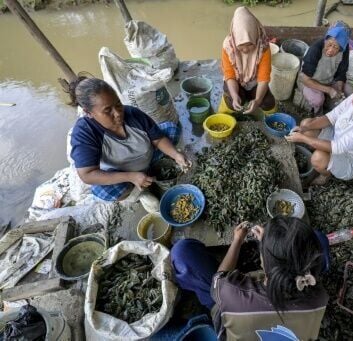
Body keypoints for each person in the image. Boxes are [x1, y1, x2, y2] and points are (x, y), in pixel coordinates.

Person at [171, 217, 330, 341]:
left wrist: (237, 241)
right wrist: (270, 247)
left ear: (263, 262)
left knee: (182, 252)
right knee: (319, 239)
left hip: (231, 308)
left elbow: (218, 279)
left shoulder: (233, 293)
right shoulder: (320, 297)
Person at [69, 77, 190, 208]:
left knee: (171, 129)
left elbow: (158, 138)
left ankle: (152, 170)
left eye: (118, 104)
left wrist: (176, 155)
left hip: (147, 158)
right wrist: (131, 176)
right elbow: (87, 174)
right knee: (103, 191)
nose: (118, 114)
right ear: (89, 113)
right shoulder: (85, 133)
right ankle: (140, 193)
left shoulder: (132, 113)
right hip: (121, 172)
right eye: (108, 110)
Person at [285, 66, 353, 185]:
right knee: (307, 124)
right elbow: (331, 117)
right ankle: (322, 155)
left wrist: (303, 139)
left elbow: (338, 147)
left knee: (318, 158)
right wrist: (304, 129)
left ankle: (325, 174)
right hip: (338, 137)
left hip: (350, 159)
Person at [217, 6, 276, 117]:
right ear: (235, 40)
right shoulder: (228, 46)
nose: (245, 50)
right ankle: (228, 108)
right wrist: (235, 96)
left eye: (249, 44)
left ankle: (270, 118)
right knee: (232, 101)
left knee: (268, 102)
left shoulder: (263, 46)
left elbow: (264, 77)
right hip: (237, 81)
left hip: (255, 82)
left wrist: (258, 100)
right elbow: (229, 75)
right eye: (240, 46)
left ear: (255, 37)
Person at [295, 21, 350, 115]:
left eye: (336, 48)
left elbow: (341, 73)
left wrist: (339, 89)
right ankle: (316, 114)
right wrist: (329, 90)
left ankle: (330, 107)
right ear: (326, 39)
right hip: (309, 81)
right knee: (318, 100)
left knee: (347, 94)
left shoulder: (344, 49)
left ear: (341, 48)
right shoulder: (315, 49)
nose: (330, 50)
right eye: (329, 44)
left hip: (329, 80)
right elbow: (305, 79)